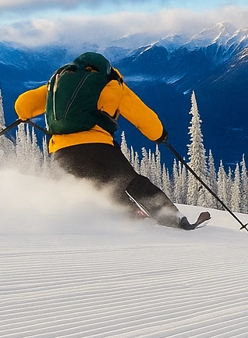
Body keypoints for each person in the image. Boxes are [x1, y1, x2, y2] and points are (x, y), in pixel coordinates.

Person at [15, 51, 203, 229]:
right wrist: (160, 135)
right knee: (129, 182)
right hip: (98, 149)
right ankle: (172, 218)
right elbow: (143, 116)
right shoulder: (112, 84)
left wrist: (28, 113)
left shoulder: (60, 83)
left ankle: (120, 216)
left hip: (61, 152)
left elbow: (22, 106)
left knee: (88, 188)